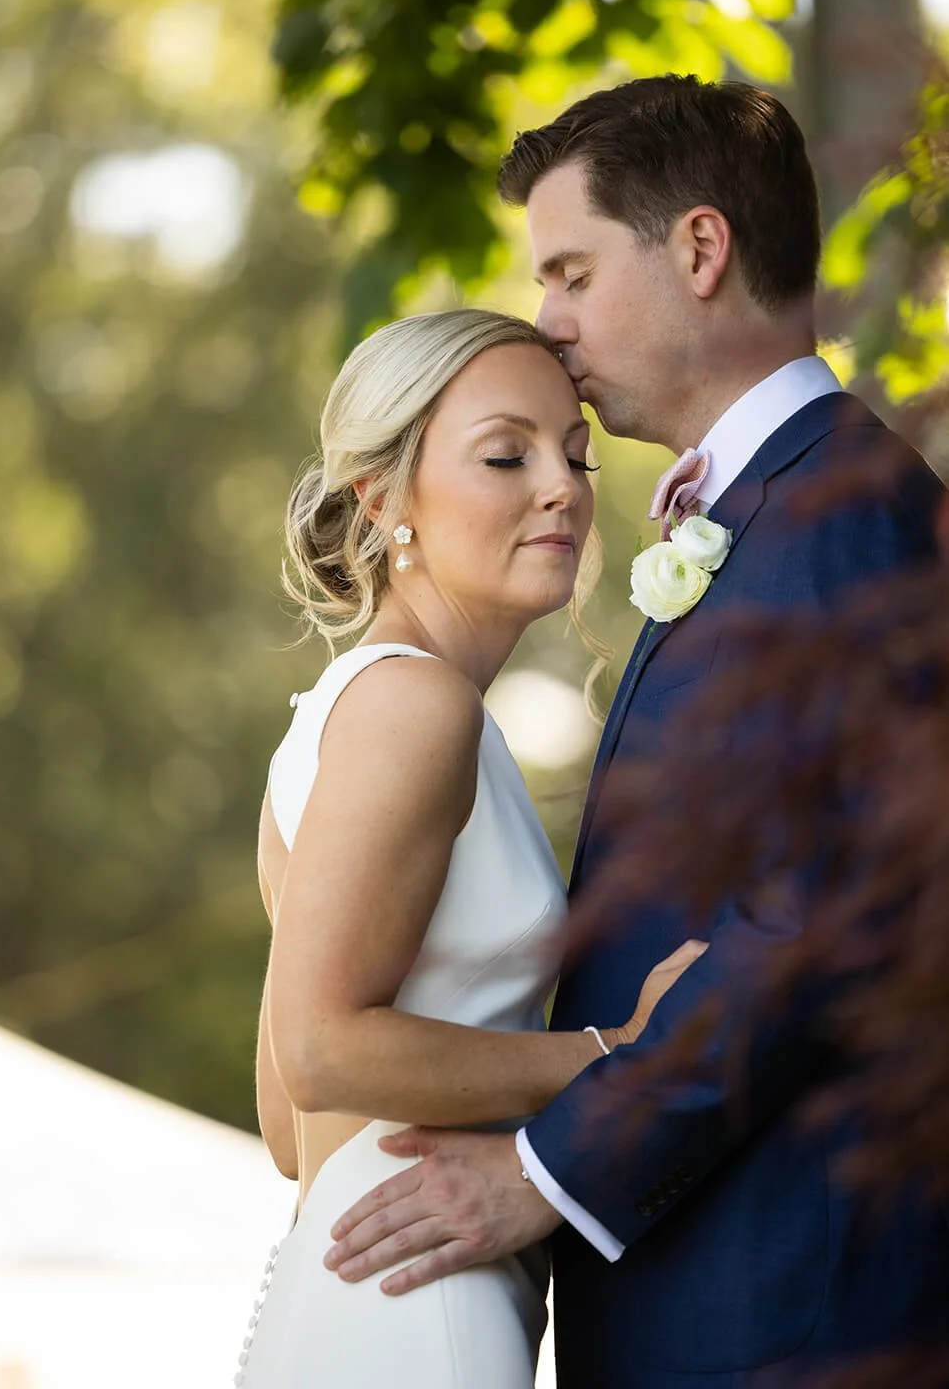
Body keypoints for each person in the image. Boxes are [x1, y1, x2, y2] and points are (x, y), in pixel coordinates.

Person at [324, 77, 949, 1387]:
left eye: (567, 272)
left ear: (699, 251)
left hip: (781, 1324)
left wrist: (546, 1171)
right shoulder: (768, 515)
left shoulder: (842, 518)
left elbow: (813, 920)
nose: (548, 326)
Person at [238, 307, 705, 1387]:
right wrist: (613, 1049)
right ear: (382, 498)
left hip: (354, 1279)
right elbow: (317, 1054)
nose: (562, 487)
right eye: (506, 454)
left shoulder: (338, 714)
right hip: (417, 1298)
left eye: (576, 453)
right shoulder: (415, 708)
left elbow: (282, 1122)